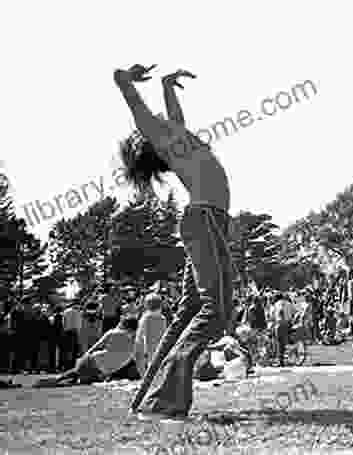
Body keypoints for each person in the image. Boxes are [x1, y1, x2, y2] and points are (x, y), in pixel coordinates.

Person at [116, 64, 234, 420]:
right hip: (206, 220)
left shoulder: (176, 134)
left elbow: (174, 114)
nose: (161, 115)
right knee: (217, 311)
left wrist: (168, 86)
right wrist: (125, 79)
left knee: (187, 314)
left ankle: (145, 397)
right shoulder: (162, 136)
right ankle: (163, 402)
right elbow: (137, 107)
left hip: (205, 222)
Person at [34, 317, 139, 387]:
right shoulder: (137, 341)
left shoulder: (113, 332)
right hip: (103, 369)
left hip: (95, 361)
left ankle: (54, 380)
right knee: (77, 379)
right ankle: (55, 380)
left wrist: (83, 356)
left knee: (75, 375)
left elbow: (95, 347)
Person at [135, 293, 168, 377]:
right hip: (158, 345)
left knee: (147, 366)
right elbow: (164, 334)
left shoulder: (146, 317)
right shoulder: (162, 318)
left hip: (147, 345)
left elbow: (142, 334)